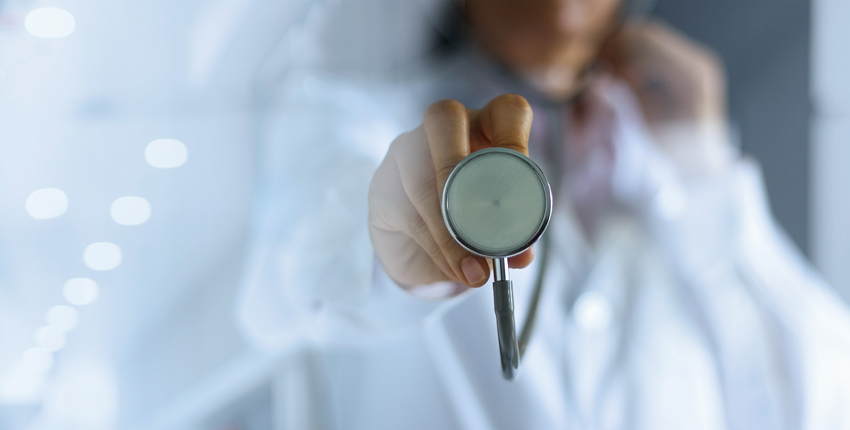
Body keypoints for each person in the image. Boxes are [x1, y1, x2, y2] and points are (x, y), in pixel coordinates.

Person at [238, 0, 850, 428]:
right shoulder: (357, 129)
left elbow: (825, 398)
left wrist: (709, 174)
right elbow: (283, 287)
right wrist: (394, 256)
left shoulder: (677, 172)